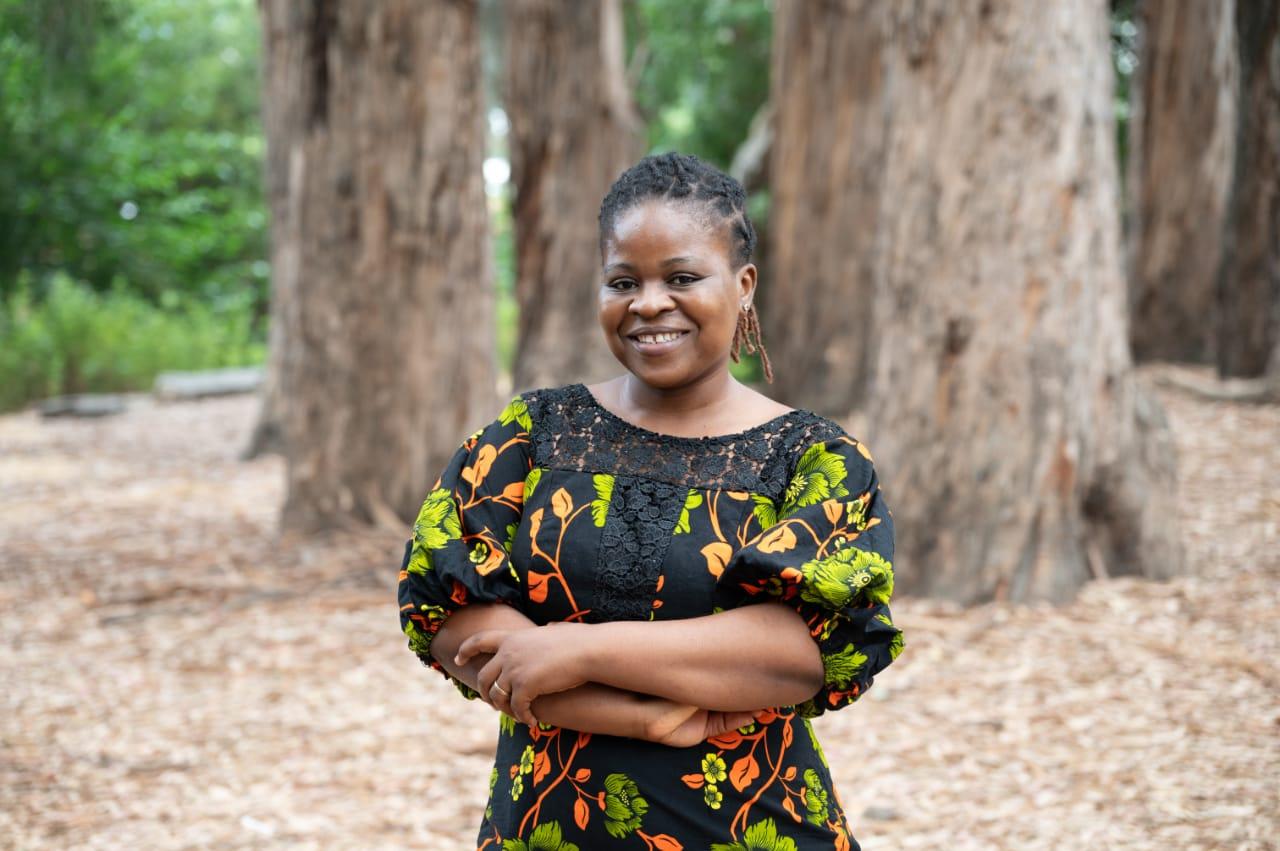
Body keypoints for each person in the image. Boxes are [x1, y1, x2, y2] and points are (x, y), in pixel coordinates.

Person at [397, 152, 903, 851]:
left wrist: (576, 650)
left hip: (750, 828)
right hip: (543, 828)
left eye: (683, 276)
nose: (649, 303)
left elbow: (799, 654)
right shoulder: (531, 436)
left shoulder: (814, 460)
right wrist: (641, 718)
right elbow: (451, 617)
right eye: (623, 281)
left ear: (744, 284)